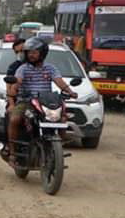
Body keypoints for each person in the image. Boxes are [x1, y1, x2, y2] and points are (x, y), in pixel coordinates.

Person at [5, 37, 76, 165]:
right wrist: (14, 89)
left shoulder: (50, 68)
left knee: (63, 119)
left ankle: (57, 149)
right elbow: (17, 82)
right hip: (26, 102)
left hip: (45, 102)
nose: (31, 55)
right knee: (14, 119)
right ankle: (13, 152)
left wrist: (70, 92)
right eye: (29, 52)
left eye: (34, 52)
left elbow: (59, 81)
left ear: (42, 53)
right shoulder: (23, 69)